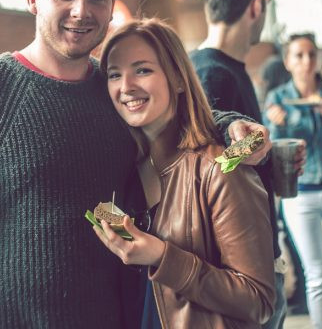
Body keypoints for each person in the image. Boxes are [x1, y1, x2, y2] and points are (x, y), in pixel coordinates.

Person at [0, 0, 271, 329]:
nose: (82, 10)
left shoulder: (113, 91)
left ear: (112, 6)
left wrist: (234, 123)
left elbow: (178, 115)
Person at [94, 17, 276, 328]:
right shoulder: (121, 173)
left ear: (178, 79)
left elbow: (258, 300)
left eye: (143, 70)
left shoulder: (220, 169)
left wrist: (162, 256)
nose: (126, 87)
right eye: (114, 75)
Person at [189, 0, 302, 329]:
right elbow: (216, 163)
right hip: (241, 269)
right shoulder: (211, 73)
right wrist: (264, 155)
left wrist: (269, 160)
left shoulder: (219, 68)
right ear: (257, 5)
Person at [264, 33, 322, 329]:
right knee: (317, 275)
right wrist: (276, 125)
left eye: (311, 55)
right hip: (299, 194)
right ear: (288, 62)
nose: (306, 62)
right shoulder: (277, 98)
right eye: (299, 55)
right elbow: (274, 152)